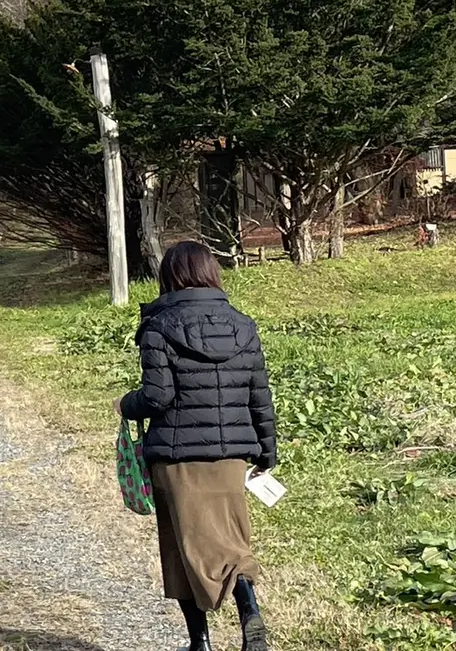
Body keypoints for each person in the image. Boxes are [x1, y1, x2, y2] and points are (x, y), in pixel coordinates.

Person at [117, 241, 276, 651]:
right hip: (231, 459)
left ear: (169, 277)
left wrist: (126, 404)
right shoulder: (244, 326)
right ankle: (249, 609)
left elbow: (157, 397)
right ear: (211, 273)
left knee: (180, 548)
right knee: (232, 541)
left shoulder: (158, 327)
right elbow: (259, 395)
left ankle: (199, 643)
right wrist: (266, 452)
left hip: (177, 458)